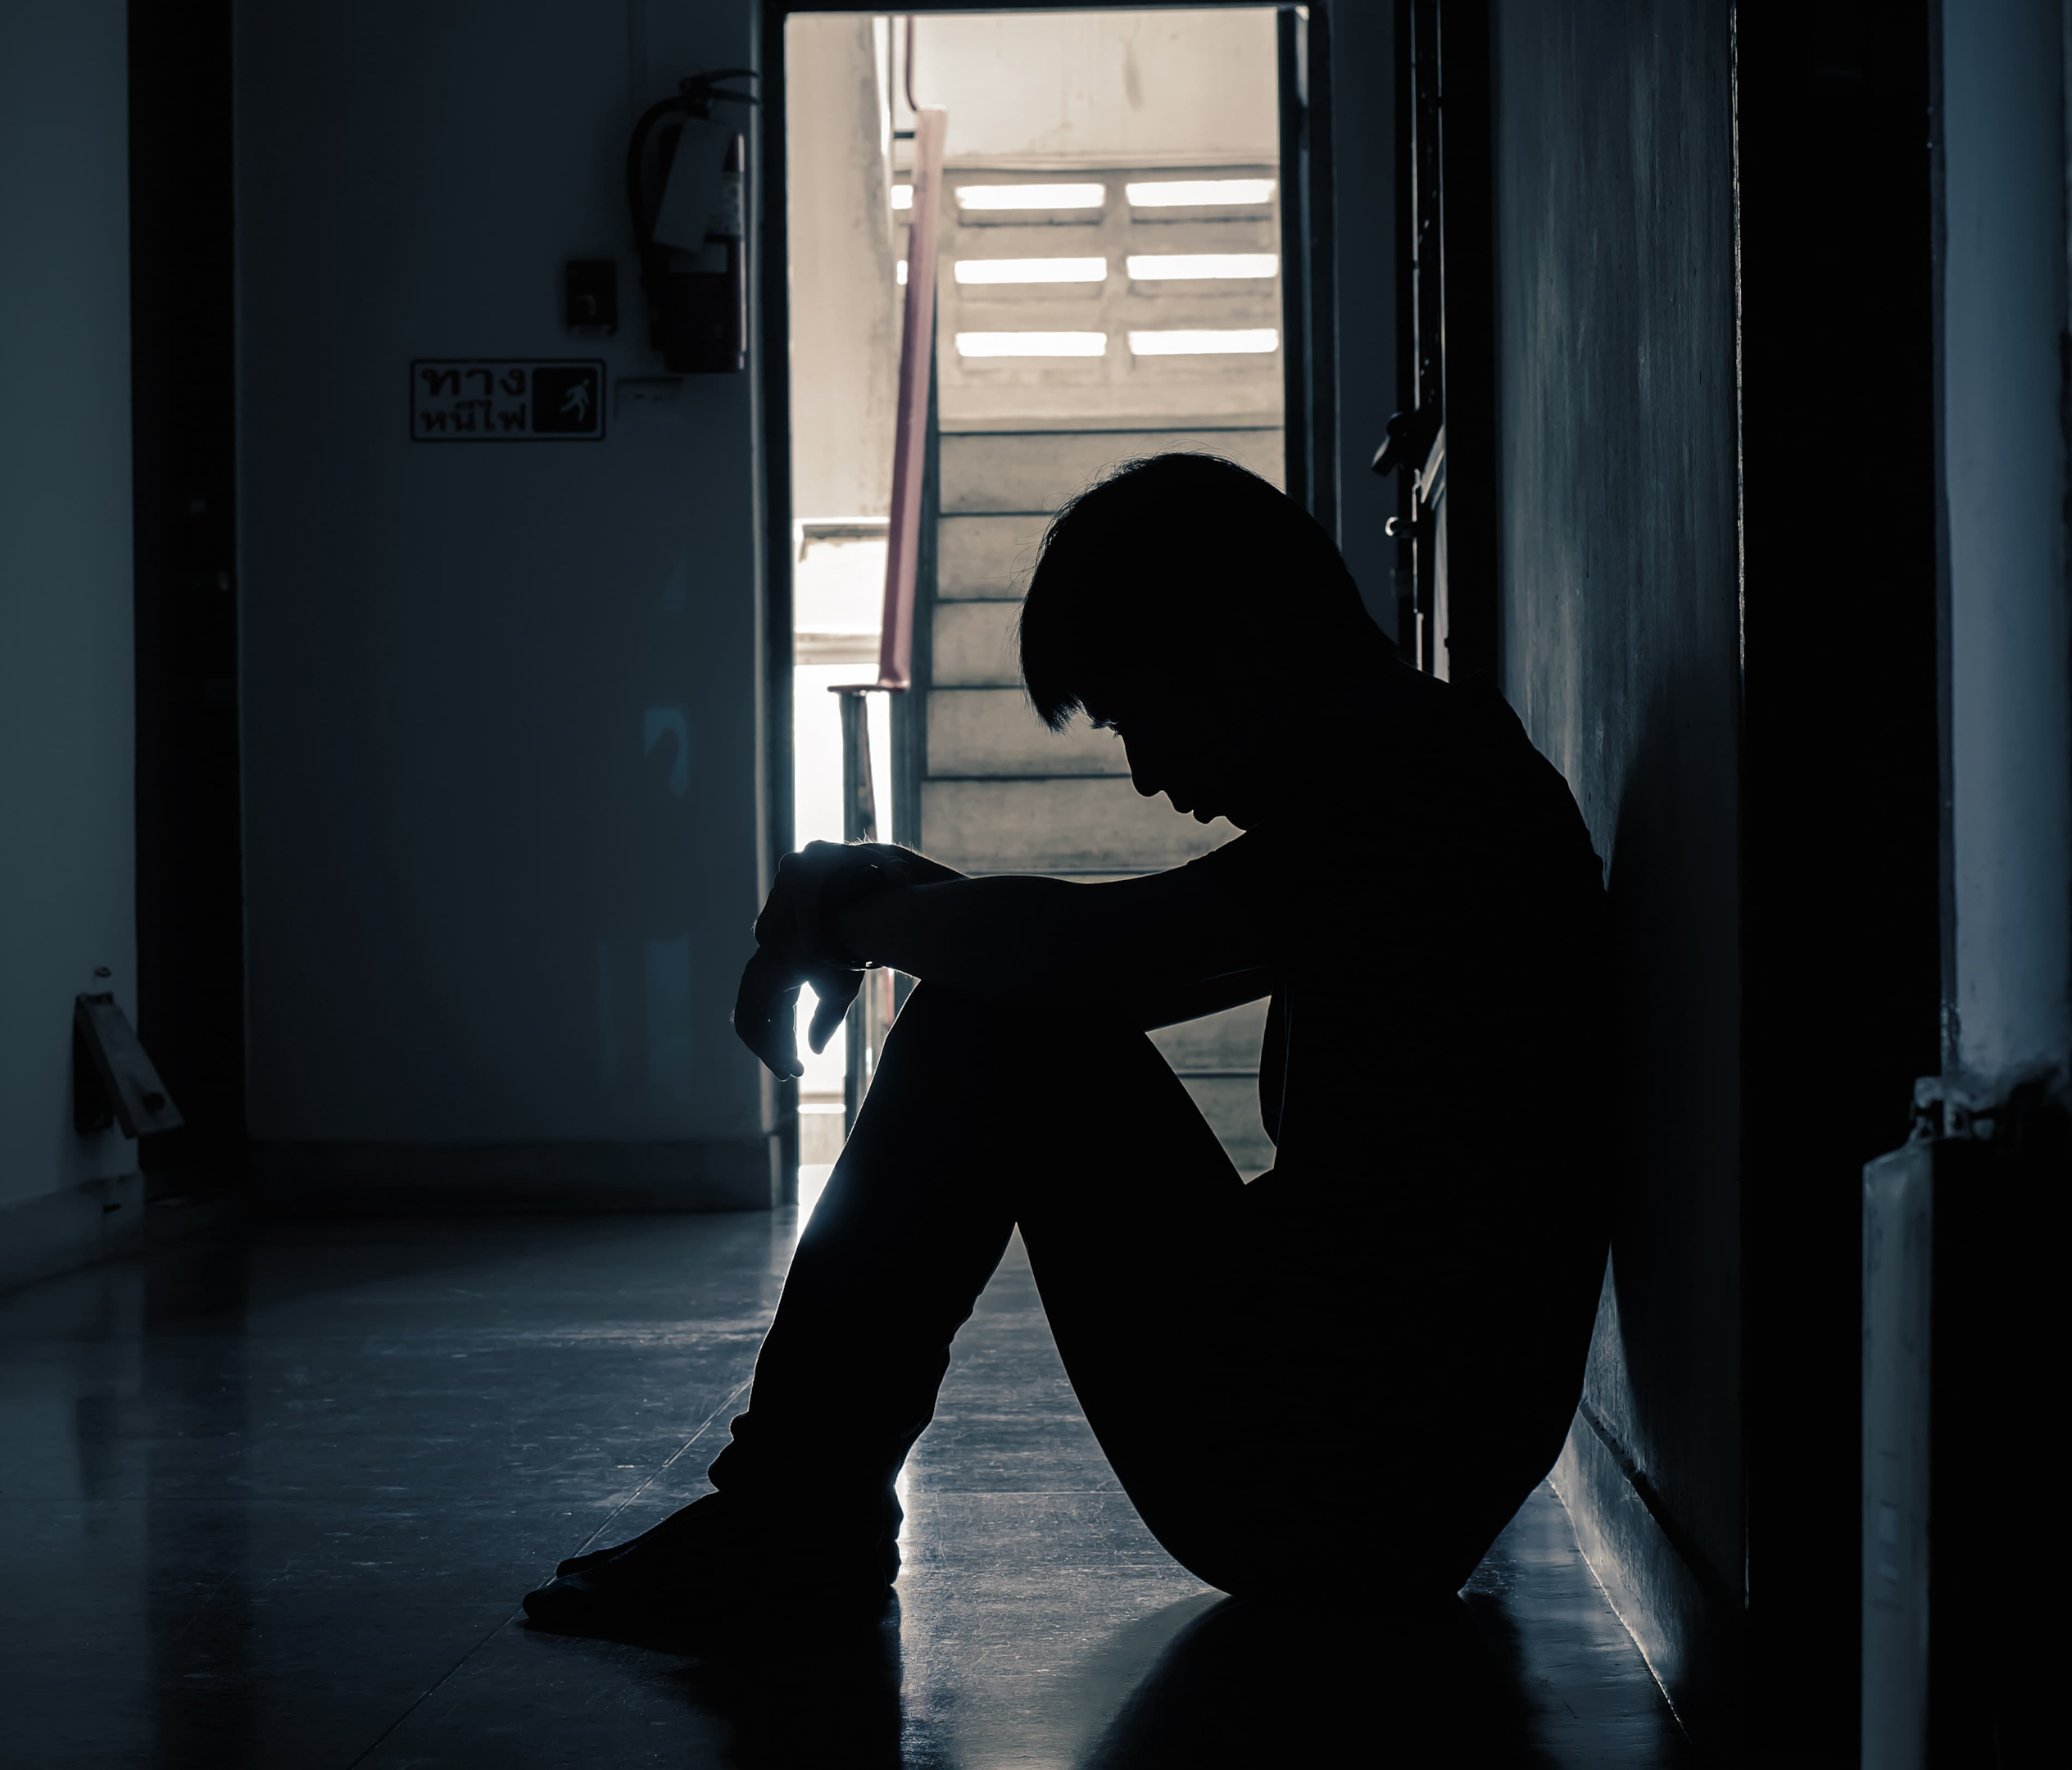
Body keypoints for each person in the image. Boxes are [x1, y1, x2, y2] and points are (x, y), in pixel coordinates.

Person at [524, 453, 1612, 1634]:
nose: (1149, 778)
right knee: (1004, 1002)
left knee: (992, 1019)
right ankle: (795, 1512)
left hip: (1345, 1489)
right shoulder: (1428, 775)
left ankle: (792, 1516)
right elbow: (1091, 950)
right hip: (1372, 1466)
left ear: (1240, 653)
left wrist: (851, 911)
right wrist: (881, 900)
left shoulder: (1425, 795)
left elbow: (1084, 958)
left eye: (1141, 719)